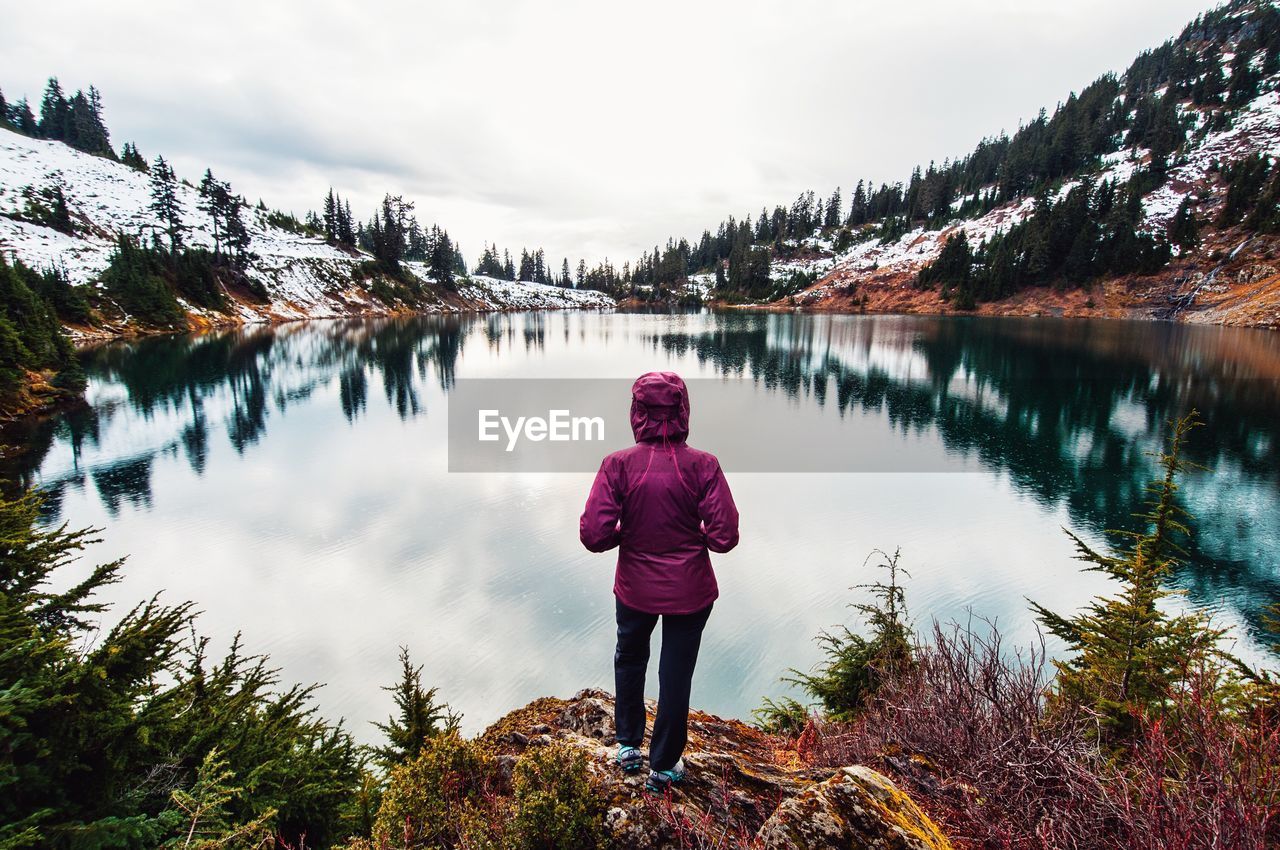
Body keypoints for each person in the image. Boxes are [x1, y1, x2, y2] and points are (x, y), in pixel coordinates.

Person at [579, 371, 739, 793]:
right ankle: (664, 765)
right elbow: (725, 538)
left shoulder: (617, 465)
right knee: (675, 673)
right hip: (691, 590)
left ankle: (628, 744)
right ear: (683, 410)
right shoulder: (704, 465)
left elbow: (594, 535)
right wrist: (695, 540)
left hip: (634, 587)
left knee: (630, 657)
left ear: (637, 413)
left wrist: (624, 538)